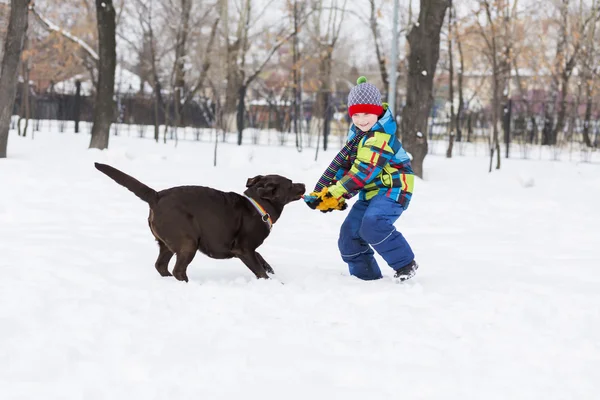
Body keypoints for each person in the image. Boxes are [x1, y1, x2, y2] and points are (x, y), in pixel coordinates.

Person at [304, 76, 418, 281]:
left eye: (367, 113)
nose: (361, 119)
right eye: (356, 114)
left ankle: (405, 264)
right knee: (349, 236)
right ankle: (365, 278)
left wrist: (335, 192)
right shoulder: (356, 137)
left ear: (376, 112)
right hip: (371, 192)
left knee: (373, 223)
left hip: (393, 189)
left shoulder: (380, 137)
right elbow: (346, 167)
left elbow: (362, 172)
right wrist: (327, 194)